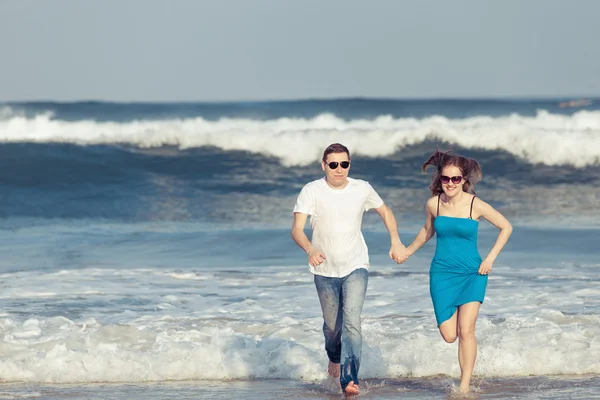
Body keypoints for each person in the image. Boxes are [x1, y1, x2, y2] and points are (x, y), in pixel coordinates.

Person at [291, 143, 408, 395]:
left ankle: (350, 379)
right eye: (333, 164)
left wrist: (395, 240)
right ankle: (333, 356)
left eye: (344, 164)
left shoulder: (362, 188)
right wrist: (310, 249)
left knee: (352, 321)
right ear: (324, 165)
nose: (339, 169)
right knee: (333, 328)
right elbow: (297, 229)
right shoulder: (311, 191)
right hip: (324, 269)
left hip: (356, 265)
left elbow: (385, 212)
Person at [404, 148, 512, 393]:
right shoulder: (434, 204)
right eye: (445, 178)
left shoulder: (476, 205)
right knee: (450, 335)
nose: (450, 183)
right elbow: (427, 231)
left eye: (455, 179)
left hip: (473, 273)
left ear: (464, 180)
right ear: (439, 179)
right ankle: (464, 381)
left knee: (467, 330)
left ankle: (464, 387)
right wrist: (408, 251)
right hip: (442, 274)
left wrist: (490, 259)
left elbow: (506, 227)